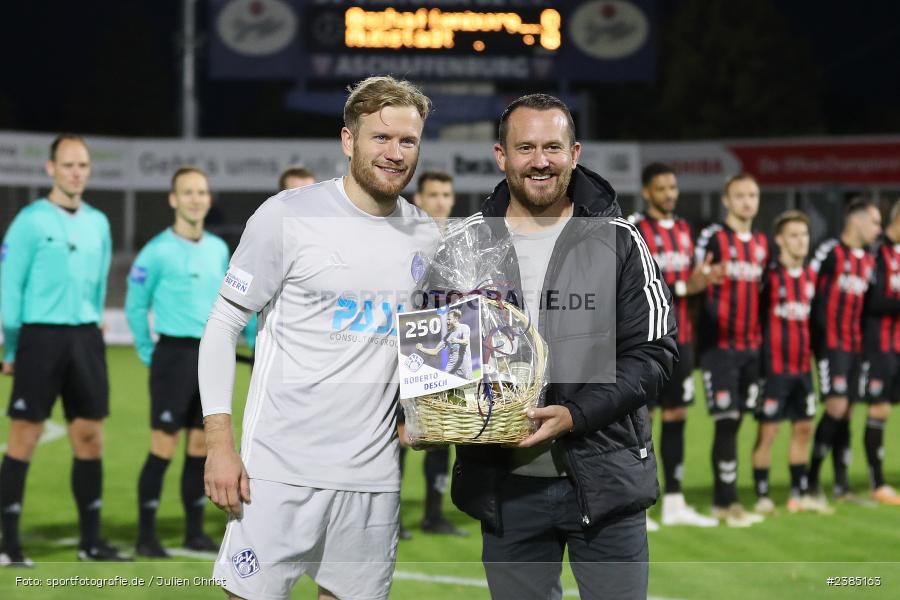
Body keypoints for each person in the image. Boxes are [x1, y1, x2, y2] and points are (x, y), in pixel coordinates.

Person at [198, 76, 439, 600]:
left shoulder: (427, 235)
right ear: (349, 141)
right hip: (277, 473)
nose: (395, 153)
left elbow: (424, 347)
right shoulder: (287, 216)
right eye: (381, 138)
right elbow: (221, 327)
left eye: (408, 141)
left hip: (374, 480)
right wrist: (219, 444)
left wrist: (425, 414)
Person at [449, 94, 677, 600]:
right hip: (504, 489)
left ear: (575, 154)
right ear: (500, 155)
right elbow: (439, 354)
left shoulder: (619, 239)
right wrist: (424, 408)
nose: (540, 161)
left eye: (553, 147)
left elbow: (655, 354)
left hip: (606, 479)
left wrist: (574, 414)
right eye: (525, 147)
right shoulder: (465, 244)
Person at [0, 134, 128, 566]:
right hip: (39, 337)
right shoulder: (29, 221)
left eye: (83, 165)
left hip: (85, 339)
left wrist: (92, 325)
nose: (76, 172)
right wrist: (13, 346)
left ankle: (90, 544)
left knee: (90, 439)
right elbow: (9, 287)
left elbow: (97, 282)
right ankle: (8, 544)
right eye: (68, 164)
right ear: (50, 169)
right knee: (24, 437)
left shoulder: (98, 223)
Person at [125, 167, 257, 558]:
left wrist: (249, 340)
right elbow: (135, 306)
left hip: (210, 357)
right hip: (172, 356)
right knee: (162, 447)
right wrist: (152, 355)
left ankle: (193, 531)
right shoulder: (156, 250)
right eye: (188, 192)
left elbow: (233, 305)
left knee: (201, 447)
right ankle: (146, 535)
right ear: (174, 199)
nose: (196, 199)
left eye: (202, 192)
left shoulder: (218, 249)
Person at [629, 163, 720, 530]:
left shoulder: (685, 230)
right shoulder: (636, 228)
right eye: (662, 188)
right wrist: (687, 287)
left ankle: (676, 500)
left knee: (677, 416)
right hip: (646, 342)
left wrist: (695, 289)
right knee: (642, 419)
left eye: (673, 187)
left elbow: (696, 282)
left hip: (681, 340)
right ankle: (639, 501)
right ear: (647, 192)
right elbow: (636, 283)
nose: (670, 194)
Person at [695, 173, 769, 527]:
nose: (747, 202)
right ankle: (727, 502)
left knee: (737, 421)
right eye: (739, 196)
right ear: (726, 200)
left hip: (751, 349)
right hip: (719, 349)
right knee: (726, 422)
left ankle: (728, 500)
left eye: (752, 195)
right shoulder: (713, 238)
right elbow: (697, 280)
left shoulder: (761, 243)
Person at [397, 170, 468, 539]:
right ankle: (389, 517)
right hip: (409, 341)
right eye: (433, 194)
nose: (441, 200)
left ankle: (433, 514)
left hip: (446, 341)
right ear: (419, 200)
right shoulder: (406, 240)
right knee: (400, 433)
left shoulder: (462, 243)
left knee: (442, 430)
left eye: (446, 194)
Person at [750, 210, 832, 515]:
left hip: (802, 368)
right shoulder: (769, 277)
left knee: (804, 429)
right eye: (794, 235)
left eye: (804, 234)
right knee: (768, 432)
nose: (801, 241)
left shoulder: (813, 278)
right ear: (780, 240)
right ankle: (762, 494)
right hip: (773, 369)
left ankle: (798, 494)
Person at [808, 198, 880, 504]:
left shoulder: (867, 260)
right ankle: (810, 482)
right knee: (836, 407)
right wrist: (819, 342)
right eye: (875, 222)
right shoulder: (830, 252)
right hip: (831, 345)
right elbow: (809, 291)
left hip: (855, 347)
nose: (878, 229)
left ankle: (841, 484)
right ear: (856, 220)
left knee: (848, 410)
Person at [860, 200, 900, 504]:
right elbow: (871, 303)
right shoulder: (876, 254)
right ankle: (878, 482)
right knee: (879, 409)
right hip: (880, 346)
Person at [416, 309, 472, 378]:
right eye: (446, 319)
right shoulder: (447, 336)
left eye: (449, 319)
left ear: (456, 319)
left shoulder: (464, 327)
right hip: (450, 369)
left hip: (465, 368)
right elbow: (435, 351)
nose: (447, 322)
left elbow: (466, 341)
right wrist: (421, 348)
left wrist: (457, 341)